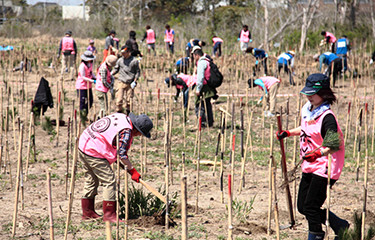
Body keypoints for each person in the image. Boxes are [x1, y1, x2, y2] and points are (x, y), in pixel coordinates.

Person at [276, 73, 349, 240]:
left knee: (311, 206)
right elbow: (305, 129)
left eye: (312, 93)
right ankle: (341, 226)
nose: (309, 96)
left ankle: (317, 234)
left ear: (323, 93)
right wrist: (287, 133)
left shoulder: (327, 117)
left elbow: (332, 145)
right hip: (310, 164)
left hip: (326, 166)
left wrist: (317, 153)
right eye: (307, 93)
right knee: (302, 206)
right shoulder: (308, 111)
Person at [78, 112, 153, 222]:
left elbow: (114, 147)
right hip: (94, 150)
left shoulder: (122, 117)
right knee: (109, 181)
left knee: (91, 180)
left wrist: (128, 168)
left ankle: (87, 212)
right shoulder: (127, 131)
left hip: (84, 143)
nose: (139, 135)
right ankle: (109, 215)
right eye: (140, 133)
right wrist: (132, 170)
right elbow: (121, 154)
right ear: (137, 130)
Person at [192, 47, 217, 127]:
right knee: (207, 104)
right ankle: (210, 122)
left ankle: (201, 123)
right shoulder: (207, 61)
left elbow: (200, 77)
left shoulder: (201, 63)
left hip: (204, 87)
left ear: (196, 55)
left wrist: (198, 89)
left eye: (193, 55)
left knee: (199, 104)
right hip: (208, 86)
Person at [111, 45, 140, 114]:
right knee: (119, 100)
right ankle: (119, 113)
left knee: (129, 101)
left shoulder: (134, 61)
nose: (123, 54)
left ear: (128, 52)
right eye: (122, 53)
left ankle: (128, 114)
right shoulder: (120, 60)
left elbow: (137, 72)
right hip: (121, 81)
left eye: (124, 52)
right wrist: (110, 74)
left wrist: (135, 81)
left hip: (130, 83)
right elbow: (116, 69)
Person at [76, 51, 96, 118]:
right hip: (81, 86)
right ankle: (82, 117)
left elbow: (91, 73)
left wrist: (95, 77)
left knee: (90, 101)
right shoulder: (82, 66)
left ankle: (85, 114)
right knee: (82, 102)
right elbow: (83, 77)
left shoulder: (90, 64)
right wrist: (92, 81)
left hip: (88, 86)